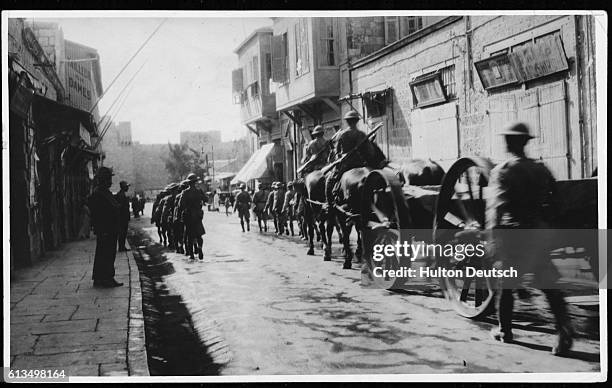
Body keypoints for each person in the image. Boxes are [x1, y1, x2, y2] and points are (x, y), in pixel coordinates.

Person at [486, 122, 573, 356]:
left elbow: (496, 209)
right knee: (549, 285)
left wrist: (492, 240)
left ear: (509, 142)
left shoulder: (502, 171)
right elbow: (557, 204)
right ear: (525, 142)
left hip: (514, 236)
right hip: (539, 233)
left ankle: (505, 331)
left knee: (506, 287)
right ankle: (564, 333)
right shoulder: (541, 169)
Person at [325, 110, 385, 209]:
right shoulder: (362, 134)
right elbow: (370, 153)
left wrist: (341, 157)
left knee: (329, 181)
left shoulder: (342, 135)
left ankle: (329, 205)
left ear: (347, 121)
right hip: (362, 164)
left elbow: (337, 153)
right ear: (357, 121)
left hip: (346, 165)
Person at [89, 167, 122, 288]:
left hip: (109, 229)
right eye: (108, 178)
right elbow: (98, 213)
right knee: (106, 255)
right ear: (103, 179)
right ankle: (106, 278)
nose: (110, 181)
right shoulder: (99, 193)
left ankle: (101, 278)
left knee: (105, 254)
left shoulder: (103, 192)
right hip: (106, 230)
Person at [178, 173, 208, 260]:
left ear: (188, 183)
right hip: (198, 216)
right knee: (199, 235)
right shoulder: (199, 191)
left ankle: (191, 255)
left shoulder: (185, 192)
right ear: (195, 182)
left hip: (188, 217)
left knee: (189, 236)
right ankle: (200, 248)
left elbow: (180, 205)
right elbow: (205, 199)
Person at [173, 180, 190, 254]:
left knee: (178, 234)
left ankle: (179, 248)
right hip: (189, 217)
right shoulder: (190, 194)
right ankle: (189, 248)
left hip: (180, 217)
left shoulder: (178, 196)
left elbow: (177, 207)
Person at [115, 181, 131, 252]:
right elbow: (121, 207)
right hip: (122, 217)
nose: (128, 188)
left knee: (123, 233)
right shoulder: (121, 195)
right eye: (126, 186)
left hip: (123, 217)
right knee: (122, 232)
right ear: (123, 187)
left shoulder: (122, 194)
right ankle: (121, 247)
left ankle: (122, 246)